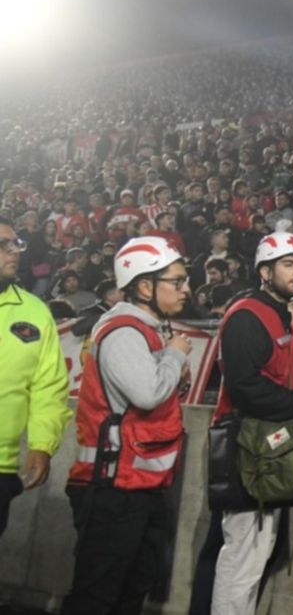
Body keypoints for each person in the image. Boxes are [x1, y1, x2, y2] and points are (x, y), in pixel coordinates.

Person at [209, 231, 293, 615]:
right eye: (288, 264)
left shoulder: (274, 315)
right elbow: (247, 389)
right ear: (264, 271)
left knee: (253, 557)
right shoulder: (248, 316)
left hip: (264, 447)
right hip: (246, 448)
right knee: (242, 558)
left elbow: (275, 384)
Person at [63, 236, 192, 613]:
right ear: (145, 286)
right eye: (177, 281)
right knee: (97, 596)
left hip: (138, 485)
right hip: (111, 488)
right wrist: (173, 356)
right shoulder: (123, 331)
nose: (186, 289)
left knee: (129, 592)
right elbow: (148, 394)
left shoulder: (147, 330)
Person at [0, 216, 72, 539]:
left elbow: (49, 387)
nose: (14, 251)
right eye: (4, 245)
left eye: (16, 243)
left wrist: (42, 444)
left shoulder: (35, 312)